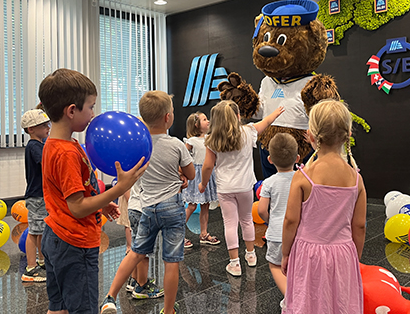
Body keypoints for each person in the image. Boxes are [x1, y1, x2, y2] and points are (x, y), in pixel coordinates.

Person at [38, 68, 148, 314]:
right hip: (74, 243)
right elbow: (76, 208)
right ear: (71, 110)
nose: (93, 114)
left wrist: (99, 202)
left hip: (55, 235)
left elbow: (72, 195)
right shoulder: (66, 152)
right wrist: (119, 189)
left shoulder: (58, 143)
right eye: (90, 107)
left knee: (58, 307)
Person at [101, 90, 195, 314]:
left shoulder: (138, 146)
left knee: (136, 252)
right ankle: (169, 310)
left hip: (147, 207)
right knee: (171, 261)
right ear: (168, 118)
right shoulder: (176, 145)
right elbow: (190, 174)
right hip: (172, 207)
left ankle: (110, 297)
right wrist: (180, 174)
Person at [281, 99, 366, 313]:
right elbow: (360, 226)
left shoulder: (303, 177)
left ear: (311, 135)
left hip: (307, 254)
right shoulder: (356, 179)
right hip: (344, 252)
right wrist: (355, 257)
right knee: (340, 303)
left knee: (308, 302)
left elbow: (291, 221)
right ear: (348, 134)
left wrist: (285, 253)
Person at [199, 100, 284, 276]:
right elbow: (266, 122)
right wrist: (277, 112)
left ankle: (234, 263)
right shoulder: (248, 132)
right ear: (238, 116)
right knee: (246, 219)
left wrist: (203, 184)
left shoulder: (212, 139)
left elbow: (207, 166)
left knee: (230, 223)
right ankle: (251, 255)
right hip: (245, 186)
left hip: (225, 188)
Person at [257, 133, 299, 297]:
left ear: (270, 160)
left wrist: (271, 220)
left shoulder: (269, 182)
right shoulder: (302, 178)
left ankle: (289, 297)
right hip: (297, 233)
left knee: (276, 266)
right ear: (297, 158)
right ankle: (299, 296)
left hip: (275, 235)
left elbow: (261, 210)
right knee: (297, 266)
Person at [20, 109, 51, 283]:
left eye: (47, 124)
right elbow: (46, 163)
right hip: (37, 196)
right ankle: (31, 269)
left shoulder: (39, 144)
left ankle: (41, 261)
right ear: (31, 129)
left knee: (41, 231)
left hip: (40, 196)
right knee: (34, 232)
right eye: (43, 125)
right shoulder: (34, 146)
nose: (48, 127)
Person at [183, 111, 220, 248]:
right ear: (196, 125)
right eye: (204, 119)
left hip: (208, 175)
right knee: (192, 205)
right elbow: (184, 157)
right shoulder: (191, 141)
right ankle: (178, 235)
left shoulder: (210, 138)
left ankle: (204, 234)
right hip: (196, 176)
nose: (208, 121)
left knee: (205, 205)